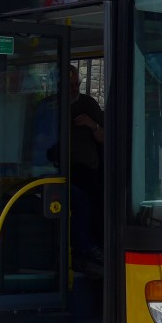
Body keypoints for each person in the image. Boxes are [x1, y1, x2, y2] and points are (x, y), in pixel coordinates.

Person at [68, 65, 105, 277]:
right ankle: (83, 251)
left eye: (76, 85)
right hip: (58, 172)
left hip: (87, 171)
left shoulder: (87, 105)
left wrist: (92, 125)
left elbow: (106, 136)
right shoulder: (50, 106)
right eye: (70, 86)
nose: (74, 89)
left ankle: (90, 250)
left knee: (89, 205)